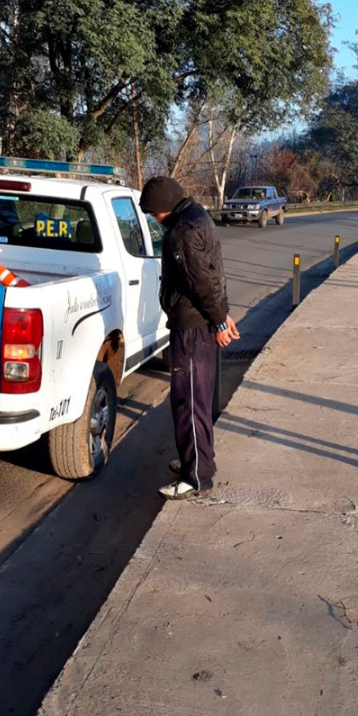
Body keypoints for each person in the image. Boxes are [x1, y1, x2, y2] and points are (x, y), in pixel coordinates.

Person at [140, 177, 240, 500]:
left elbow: (202, 283)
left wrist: (219, 321)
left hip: (193, 328)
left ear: (163, 209)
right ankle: (197, 461)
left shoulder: (180, 233)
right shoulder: (198, 215)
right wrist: (222, 315)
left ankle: (196, 476)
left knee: (189, 401)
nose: (154, 220)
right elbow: (214, 273)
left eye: (153, 214)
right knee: (197, 399)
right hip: (201, 322)